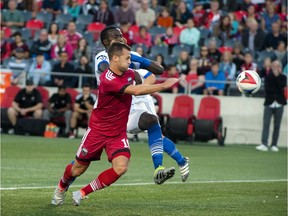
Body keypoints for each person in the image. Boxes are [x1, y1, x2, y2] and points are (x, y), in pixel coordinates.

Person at [51, 42, 179, 206]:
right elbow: (136, 90)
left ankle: (82, 192)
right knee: (77, 169)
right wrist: (163, 85)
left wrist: (151, 72)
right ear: (115, 58)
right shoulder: (107, 79)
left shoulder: (129, 73)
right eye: (127, 58)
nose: (129, 61)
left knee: (121, 167)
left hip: (117, 133)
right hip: (98, 131)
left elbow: (148, 76)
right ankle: (61, 186)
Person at [94, 27, 189, 184]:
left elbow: (157, 70)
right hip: (110, 112)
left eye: (122, 35)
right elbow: (104, 69)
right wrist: (130, 75)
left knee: (151, 124)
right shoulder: (103, 56)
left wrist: (139, 62)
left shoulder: (129, 57)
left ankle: (159, 169)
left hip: (137, 102)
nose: (122, 38)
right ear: (106, 42)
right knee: (83, 159)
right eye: (116, 36)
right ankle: (181, 161)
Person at [256, 60, 287, 152]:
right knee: (266, 124)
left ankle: (274, 144)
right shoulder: (268, 77)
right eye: (273, 65)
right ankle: (264, 143)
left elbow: (282, 86)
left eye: (276, 66)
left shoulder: (283, 77)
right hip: (269, 102)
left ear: (280, 67)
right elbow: (268, 89)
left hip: (279, 103)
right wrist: (277, 91)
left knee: (277, 125)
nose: (274, 67)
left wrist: (277, 76)